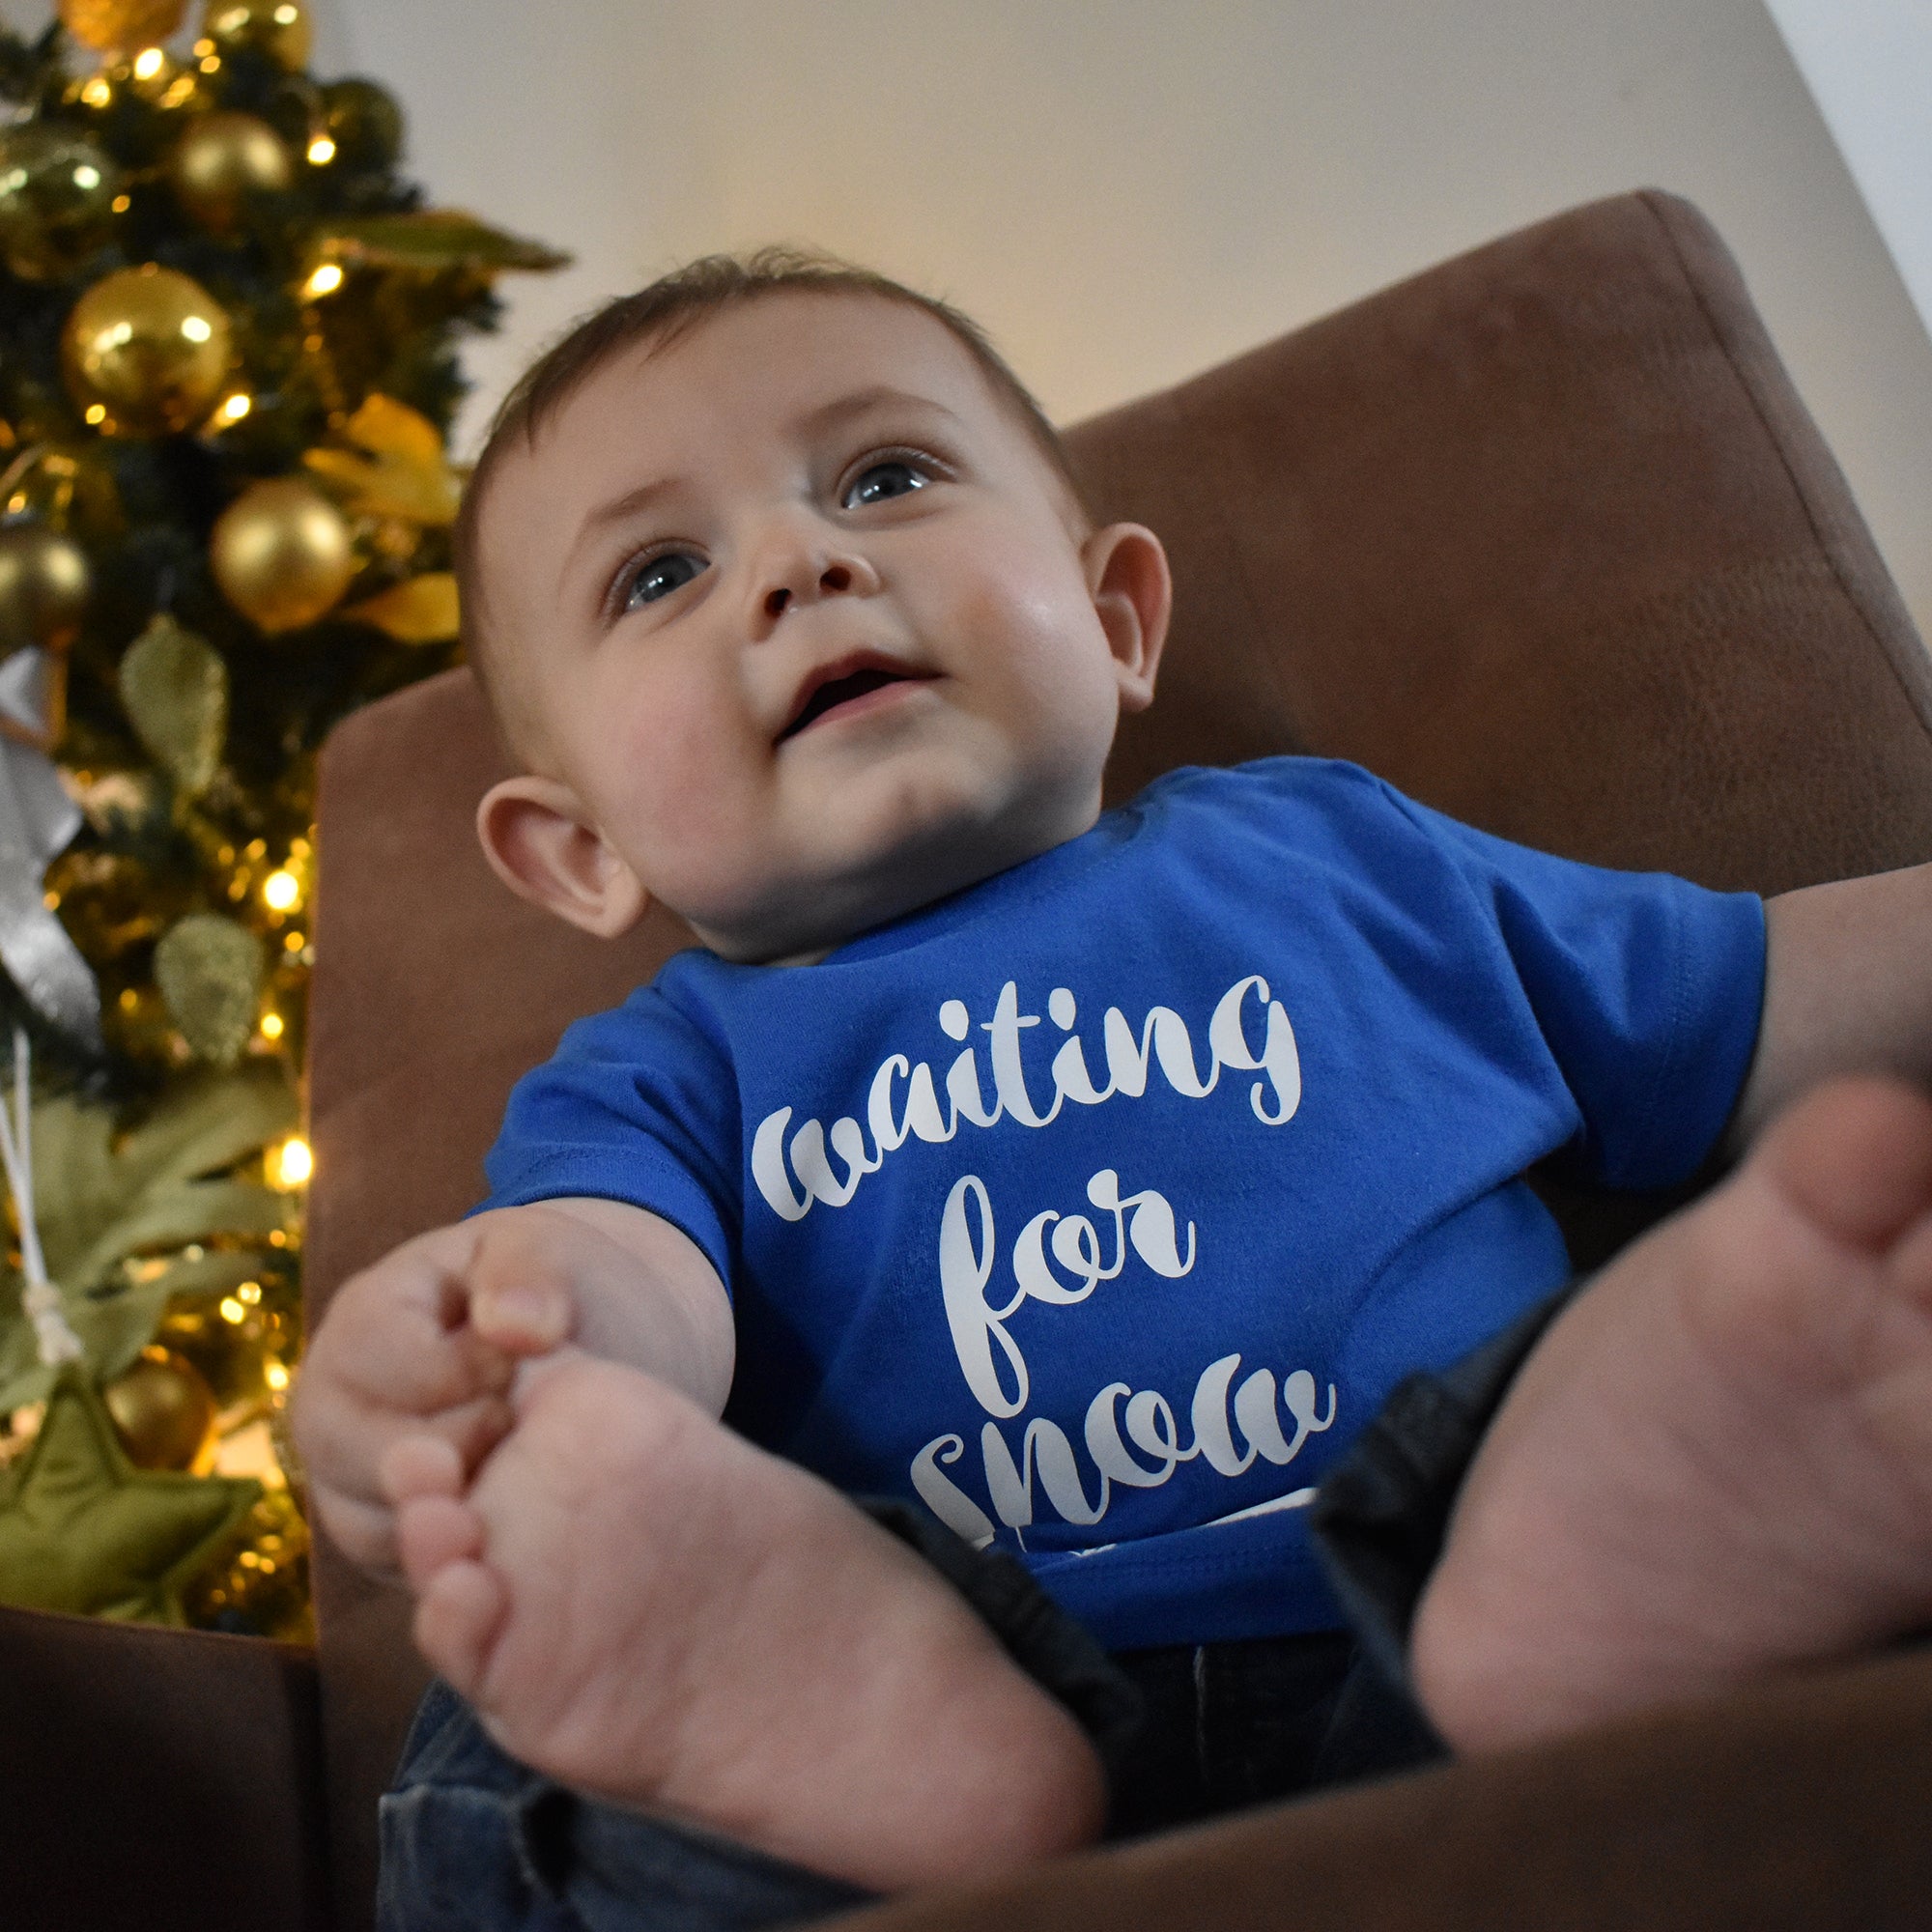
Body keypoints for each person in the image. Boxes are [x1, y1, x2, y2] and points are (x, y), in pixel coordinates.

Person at [291, 249, 1932, 1932]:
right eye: (658, 573)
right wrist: (505, 1373)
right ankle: (800, 1759)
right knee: (535, 1756)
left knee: (1569, 1428)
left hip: (1438, 1609)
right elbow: (618, 1277)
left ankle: (1625, 1538)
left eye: (887, 475)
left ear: (1115, 616)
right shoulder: (660, 1076)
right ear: (573, 854)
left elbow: (1747, 996)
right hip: (893, 1700)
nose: (802, 561)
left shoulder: (1333, 860)